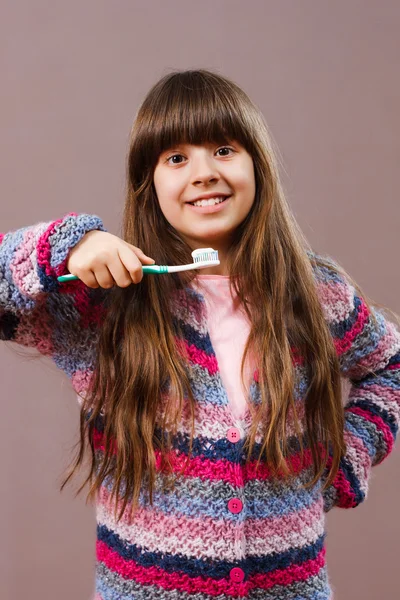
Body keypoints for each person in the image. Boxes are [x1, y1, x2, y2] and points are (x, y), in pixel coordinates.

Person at [1, 68, 399, 600]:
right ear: (149, 183)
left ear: (258, 164)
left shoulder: (313, 292)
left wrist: (346, 458)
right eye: (176, 158)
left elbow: (390, 366)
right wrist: (66, 245)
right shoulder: (108, 301)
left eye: (225, 149)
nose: (204, 172)